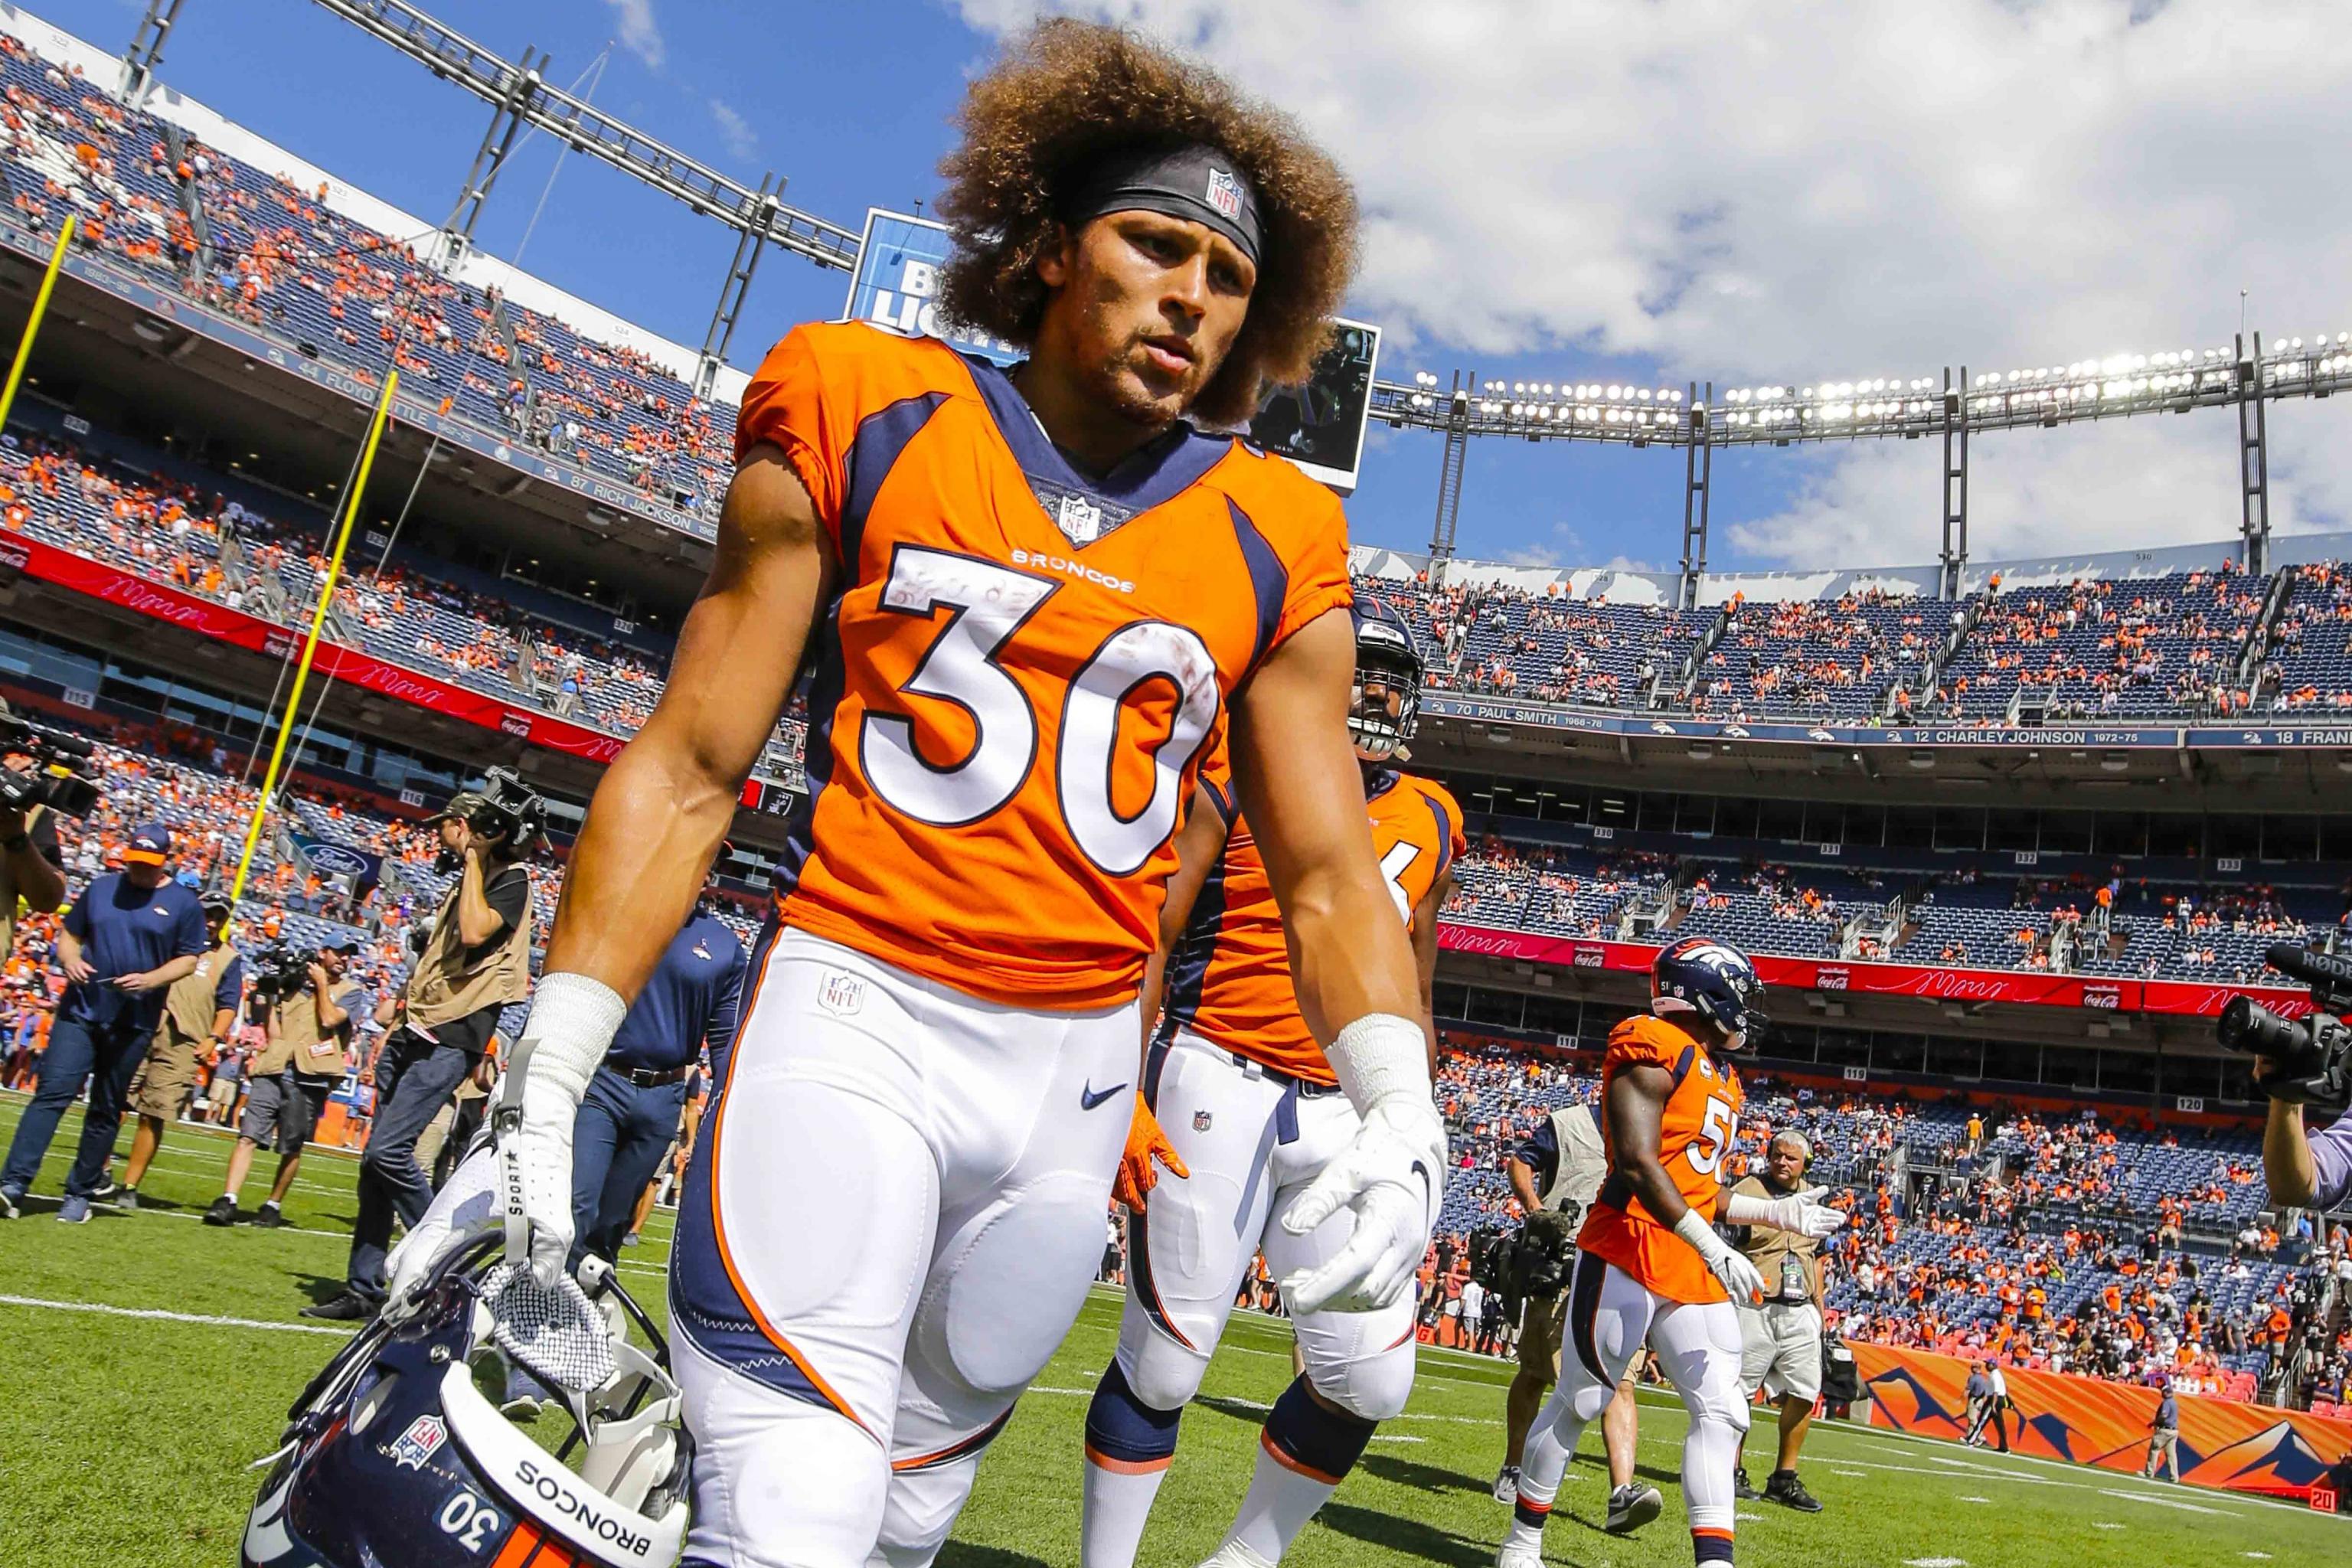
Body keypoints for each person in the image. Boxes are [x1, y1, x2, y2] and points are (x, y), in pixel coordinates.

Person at [484, 22, 1417, 1568]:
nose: (1190, 291)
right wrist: (556, 1045)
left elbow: (1327, 872)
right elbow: (694, 756)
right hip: (861, 1009)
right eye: (1154, 241)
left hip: (1069, 1092)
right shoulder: (865, 396)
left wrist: (1402, 1109)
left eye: (1228, 274)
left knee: (912, 1519)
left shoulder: (1271, 526)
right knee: (793, 1514)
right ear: (1052, 248)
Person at [1076, 596, 1458, 1568]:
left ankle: (1243, 1559)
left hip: (1351, 1105)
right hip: (1219, 1070)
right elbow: (1156, 929)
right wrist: (1124, 1079)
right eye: (1358, 669)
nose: (1373, 690)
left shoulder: (1435, 814)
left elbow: (1414, 981)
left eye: (1391, 678)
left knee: (1370, 1381)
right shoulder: (1237, 769)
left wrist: (1418, 1122)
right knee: (1166, 1358)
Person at [1494, 939, 1844, 1568]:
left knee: (1724, 1409)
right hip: (1628, 1245)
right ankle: (1522, 1544)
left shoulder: (1720, 1072)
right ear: (1707, 991)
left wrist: (1774, 1211)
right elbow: (1634, 1163)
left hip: (1686, 1258)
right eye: (1741, 991)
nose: (1748, 1008)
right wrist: (1715, 1245)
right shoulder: (1650, 1039)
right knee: (1582, 1397)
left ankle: (1714, 1562)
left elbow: (1697, 1190)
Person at [304, 782, 536, 1318]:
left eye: (450, 826)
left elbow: (477, 934)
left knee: (388, 1153)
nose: (442, 836)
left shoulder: (511, 881)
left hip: (453, 1037)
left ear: (471, 828)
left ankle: (447, 1258)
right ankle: (364, 1288)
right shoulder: (467, 881)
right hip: (420, 1029)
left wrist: (477, 858)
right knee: (372, 1166)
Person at [0, 824, 205, 1223]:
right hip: (81, 1011)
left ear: (166, 861)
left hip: (134, 1020)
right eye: (134, 863)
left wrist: (151, 979)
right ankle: (12, 1185)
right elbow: (70, 935)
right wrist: (71, 960)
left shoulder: (183, 904)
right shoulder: (102, 888)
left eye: (148, 865)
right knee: (51, 1096)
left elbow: (189, 959)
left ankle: (79, 1192)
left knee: (106, 1108)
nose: (139, 871)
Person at [1494, 1095, 1661, 1534]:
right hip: (1563, 1264)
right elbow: (1521, 1162)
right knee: (1535, 1372)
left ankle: (1621, 1493)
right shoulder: (1568, 1124)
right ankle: (1514, 1466)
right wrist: (1537, 1211)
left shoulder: (1650, 1130)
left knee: (1621, 1382)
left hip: (1622, 1267)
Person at [566, 897, 745, 1264]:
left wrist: (728, 1107)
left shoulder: (725, 946)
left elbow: (724, 1038)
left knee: (613, 1221)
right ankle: (538, 1304)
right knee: (577, 1203)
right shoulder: (625, 912)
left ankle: (581, 1309)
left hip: (664, 1096)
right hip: (606, 1080)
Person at [205, 941, 364, 1228]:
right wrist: (270, 998)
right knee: (248, 1135)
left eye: (348, 955)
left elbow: (329, 1019)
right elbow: (274, 1031)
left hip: (311, 1074)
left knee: (291, 1145)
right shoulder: (293, 988)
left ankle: (273, 1204)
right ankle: (228, 1199)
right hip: (275, 1067)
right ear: (322, 953)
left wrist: (320, 986)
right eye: (338, 951)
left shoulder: (350, 992)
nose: (344, 958)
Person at [1729, 1129, 1831, 1512]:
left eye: (1791, 1158)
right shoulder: (1745, 1192)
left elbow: (1817, 1258)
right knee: (1738, 1392)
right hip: (1754, 1305)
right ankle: (1731, 1470)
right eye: (1777, 1155)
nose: (1783, 1163)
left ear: (1806, 1162)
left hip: (1800, 1306)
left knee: (1805, 1392)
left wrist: (1821, 1310)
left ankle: (1784, 1479)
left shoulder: (1817, 1196)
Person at [119, 894, 240, 1207]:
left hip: (184, 1039)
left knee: (154, 1112)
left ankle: (129, 1186)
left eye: (219, 918)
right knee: (116, 1101)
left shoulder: (227, 958)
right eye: (207, 915)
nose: (212, 923)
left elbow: (228, 1005)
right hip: (143, 1024)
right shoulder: (168, 938)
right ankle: (97, 1170)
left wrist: (213, 1038)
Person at [2143, 1382, 2180, 1482]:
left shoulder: (2167, 1402)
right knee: (2171, 1455)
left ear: (2166, 1392)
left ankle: (2149, 1473)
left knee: (2154, 1450)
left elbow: (2164, 1415)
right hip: (2174, 1431)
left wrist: (2154, 1423)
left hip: (2164, 1430)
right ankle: (2174, 1477)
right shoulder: (2174, 1402)